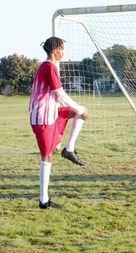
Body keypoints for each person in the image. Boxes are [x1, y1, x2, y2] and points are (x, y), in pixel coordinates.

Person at [29, 37, 89, 209]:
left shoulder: (50, 67)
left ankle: (69, 149)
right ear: (55, 50)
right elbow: (60, 94)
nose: (63, 51)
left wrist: (78, 109)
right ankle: (43, 200)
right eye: (62, 49)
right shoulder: (48, 66)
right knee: (46, 158)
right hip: (42, 118)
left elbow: (55, 96)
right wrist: (78, 108)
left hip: (51, 113)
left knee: (80, 111)